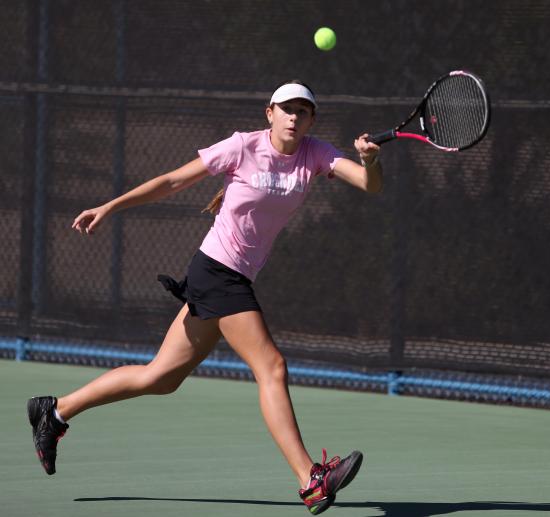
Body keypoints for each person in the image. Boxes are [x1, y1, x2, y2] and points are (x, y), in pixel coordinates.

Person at [27, 80, 382, 515]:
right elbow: (172, 180)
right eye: (286, 109)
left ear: (311, 120)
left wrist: (370, 161)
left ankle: (55, 411)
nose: (294, 117)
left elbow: (369, 184)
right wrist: (110, 206)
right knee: (271, 366)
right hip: (218, 272)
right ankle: (310, 479)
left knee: (160, 378)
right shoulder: (241, 146)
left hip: (224, 276)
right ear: (268, 112)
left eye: (303, 111)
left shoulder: (315, 154)